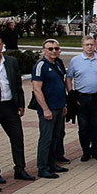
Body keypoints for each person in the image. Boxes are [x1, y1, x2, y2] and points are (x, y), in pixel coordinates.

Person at [0, 36, 32, 182]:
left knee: (17, 138)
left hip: (10, 105)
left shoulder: (11, 61)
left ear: (3, 45)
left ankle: (20, 168)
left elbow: (17, 83)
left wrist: (20, 104)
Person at [31, 39, 69, 179]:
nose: (54, 51)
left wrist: (64, 104)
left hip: (59, 106)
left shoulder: (57, 63)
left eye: (56, 48)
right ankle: (43, 167)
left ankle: (52, 163)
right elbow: (37, 89)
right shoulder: (40, 65)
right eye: (50, 49)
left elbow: (62, 84)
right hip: (48, 108)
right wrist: (45, 109)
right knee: (46, 139)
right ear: (44, 50)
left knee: (56, 137)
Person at [66, 36, 97, 162]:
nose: (89, 47)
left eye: (91, 44)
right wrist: (72, 94)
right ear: (82, 46)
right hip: (81, 97)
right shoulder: (75, 60)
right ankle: (85, 151)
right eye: (87, 45)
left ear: (95, 45)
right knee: (83, 126)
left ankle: (96, 150)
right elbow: (68, 78)